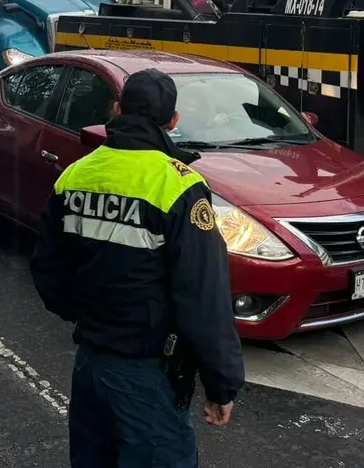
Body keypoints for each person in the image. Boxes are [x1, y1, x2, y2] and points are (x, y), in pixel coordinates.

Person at [30, 67, 244, 468]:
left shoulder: (76, 174)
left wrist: (91, 317)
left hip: (90, 364)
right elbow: (203, 298)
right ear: (173, 121)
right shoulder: (179, 186)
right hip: (147, 376)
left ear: (116, 110)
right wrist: (221, 383)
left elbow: (47, 269)